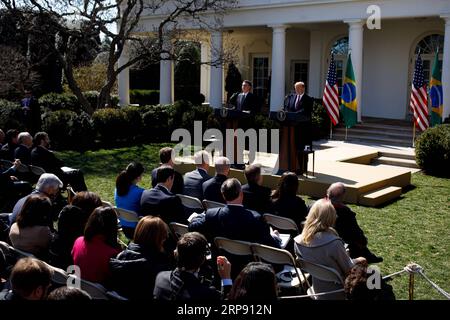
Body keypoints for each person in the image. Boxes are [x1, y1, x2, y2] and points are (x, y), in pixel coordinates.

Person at [189, 178, 281, 278]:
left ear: (223, 195)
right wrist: (275, 237)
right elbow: (272, 246)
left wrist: (201, 216)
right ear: (241, 194)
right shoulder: (256, 218)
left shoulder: (212, 215)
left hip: (221, 269)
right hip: (247, 274)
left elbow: (192, 227)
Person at [294, 198, 366, 300]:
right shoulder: (334, 243)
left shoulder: (298, 242)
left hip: (316, 286)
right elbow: (348, 270)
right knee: (364, 262)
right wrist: (358, 260)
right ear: (331, 217)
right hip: (337, 290)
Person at [153, 232, 232, 301]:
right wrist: (226, 279)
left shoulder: (161, 277)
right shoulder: (207, 294)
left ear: (175, 254)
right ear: (203, 260)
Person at [109, 216, 173, 299]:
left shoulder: (120, 256)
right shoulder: (160, 267)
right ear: (159, 238)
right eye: (164, 236)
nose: (165, 239)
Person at [326, 182, 383, 263]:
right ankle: (368, 256)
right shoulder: (344, 211)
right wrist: (363, 240)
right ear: (342, 196)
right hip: (340, 242)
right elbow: (355, 230)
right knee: (358, 240)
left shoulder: (315, 206)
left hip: (323, 240)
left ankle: (369, 255)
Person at [71, 207, 121, 284]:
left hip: (78, 287)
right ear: (112, 227)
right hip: (99, 293)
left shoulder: (78, 241)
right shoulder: (112, 254)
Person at [283, 82, 313, 175]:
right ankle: (293, 166)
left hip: (303, 129)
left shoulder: (308, 99)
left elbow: (306, 111)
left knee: (302, 149)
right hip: (292, 128)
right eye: (295, 88)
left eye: (298, 88)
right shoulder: (291, 98)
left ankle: (302, 168)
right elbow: (287, 108)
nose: (296, 90)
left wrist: (294, 115)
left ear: (303, 88)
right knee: (293, 148)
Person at [115, 162, 145, 237]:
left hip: (124, 227)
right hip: (137, 230)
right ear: (138, 177)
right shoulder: (140, 192)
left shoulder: (117, 190)